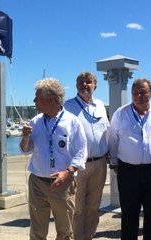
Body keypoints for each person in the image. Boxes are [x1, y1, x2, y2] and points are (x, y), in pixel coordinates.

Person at [108, 78, 151, 239]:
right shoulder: (121, 113)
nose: (138, 95)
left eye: (143, 92)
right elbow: (113, 139)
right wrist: (114, 162)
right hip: (128, 171)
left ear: (150, 94)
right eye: (135, 93)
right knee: (129, 214)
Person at [20, 78, 87, 240]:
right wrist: (25, 138)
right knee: (37, 231)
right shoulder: (35, 122)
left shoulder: (72, 122)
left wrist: (68, 172)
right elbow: (25, 150)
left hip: (62, 183)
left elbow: (81, 151)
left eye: (37, 98)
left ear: (50, 99)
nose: (34, 101)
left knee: (65, 232)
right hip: (37, 182)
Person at [64, 71, 109, 240]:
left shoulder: (100, 105)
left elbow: (107, 131)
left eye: (88, 82)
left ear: (95, 85)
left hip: (100, 163)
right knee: (77, 208)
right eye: (81, 82)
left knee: (93, 207)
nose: (85, 85)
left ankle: (88, 236)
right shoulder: (68, 106)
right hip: (78, 165)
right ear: (76, 86)